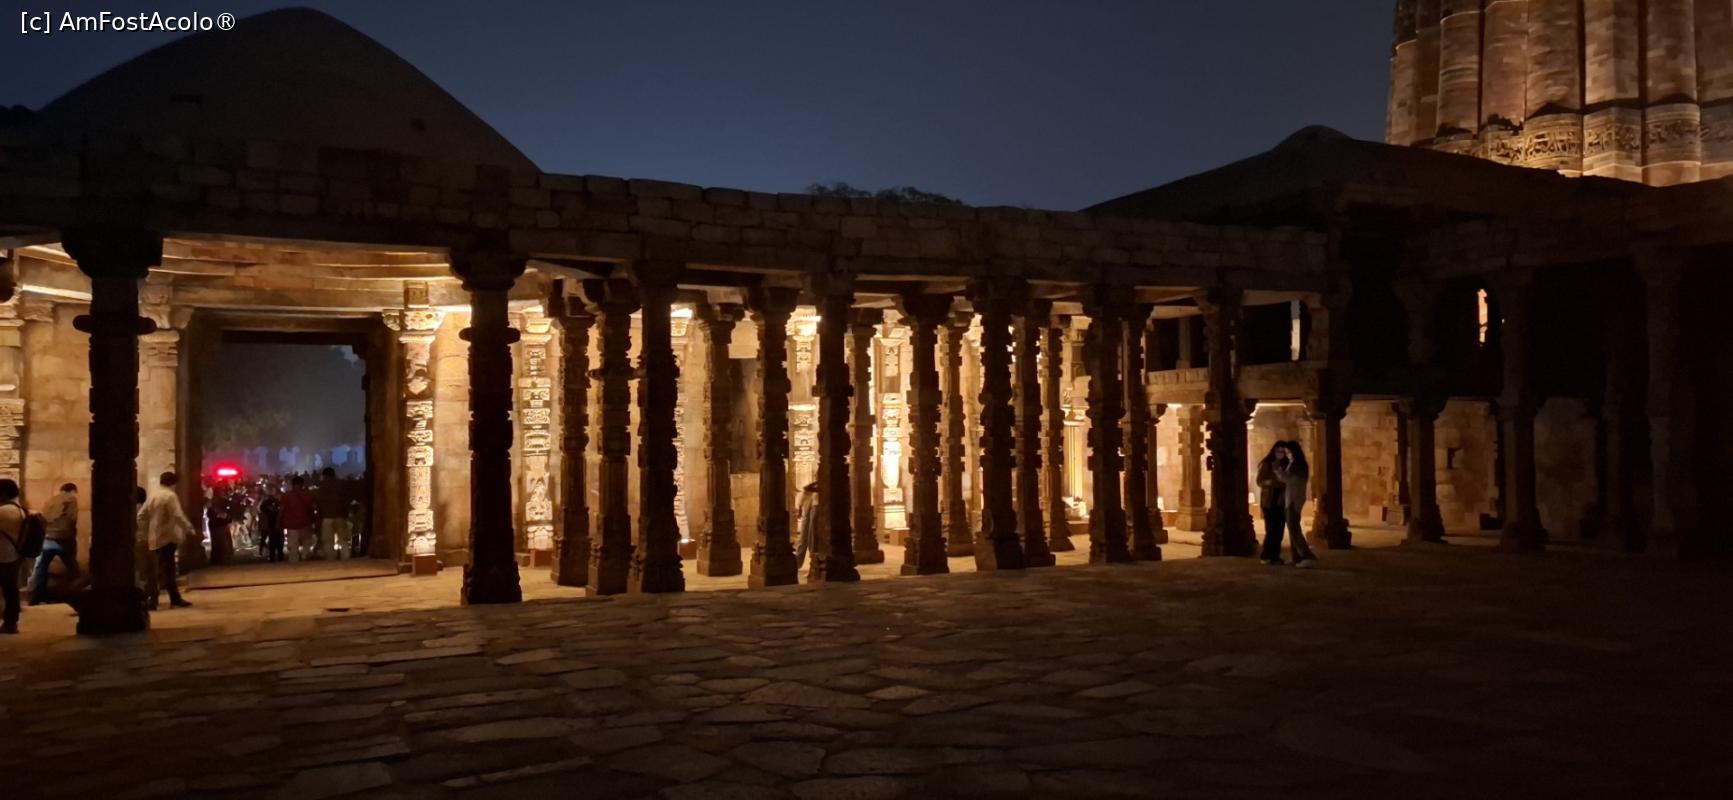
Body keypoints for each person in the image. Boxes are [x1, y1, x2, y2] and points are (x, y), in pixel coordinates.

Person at [138, 472, 194, 609]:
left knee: (158, 568)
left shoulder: (153, 495)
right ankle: (170, 598)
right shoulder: (170, 496)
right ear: (174, 483)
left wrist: (146, 532)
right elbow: (177, 514)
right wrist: (188, 528)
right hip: (168, 537)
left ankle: (157, 598)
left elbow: (141, 515)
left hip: (155, 538)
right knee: (168, 569)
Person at [28, 483, 79, 604]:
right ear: (73, 490)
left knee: (41, 568)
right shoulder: (72, 499)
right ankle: (73, 596)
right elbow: (72, 519)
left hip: (47, 537)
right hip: (64, 539)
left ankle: (36, 597)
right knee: (73, 567)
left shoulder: (51, 500)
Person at [1275, 440, 1318, 568]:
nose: (1287, 455)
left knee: (1294, 529)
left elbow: (1289, 480)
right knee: (1292, 528)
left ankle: (1307, 556)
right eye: (1286, 452)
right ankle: (1296, 557)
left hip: (1294, 499)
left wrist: (1278, 471)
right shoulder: (1295, 464)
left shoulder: (1298, 465)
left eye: (1289, 452)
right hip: (1292, 498)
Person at [0, 480, 28, 633]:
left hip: (4, 556)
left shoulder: (4, 511)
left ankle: (10, 622)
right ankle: (11, 622)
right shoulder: (19, 510)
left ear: (4, 493)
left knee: (9, 591)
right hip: (13, 556)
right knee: (10, 590)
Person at [1255, 445, 1289, 566]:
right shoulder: (1267, 464)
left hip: (1281, 500)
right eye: (1278, 451)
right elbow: (1259, 481)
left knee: (1279, 529)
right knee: (1271, 529)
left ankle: (1275, 555)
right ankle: (1266, 555)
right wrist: (1270, 483)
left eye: (1283, 451)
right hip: (1269, 500)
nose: (1281, 453)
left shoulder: (1286, 465)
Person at [279, 475, 317, 562]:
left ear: (292, 484)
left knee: (293, 544)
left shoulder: (286, 495)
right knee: (307, 541)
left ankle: (294, 560)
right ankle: (304, 555)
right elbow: (312, 508)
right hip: (305, 522)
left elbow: (282, 509)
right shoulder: (308, 494)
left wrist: (279, 521)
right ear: (302, 484)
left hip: (291, 524)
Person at [314, 468, 348, 560]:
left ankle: (330, 559)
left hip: (326, 517)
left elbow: (318, 503)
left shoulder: (321, 487)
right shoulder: (341, 485)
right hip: (340, 516)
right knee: (343, 539)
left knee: (328, 541)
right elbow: (345, 501)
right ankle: (346, 558)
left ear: (324, 476)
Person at [793, 482, 819, 571]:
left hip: (815, 511)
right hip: (809, 513)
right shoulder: (808, 492)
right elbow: (806, 488)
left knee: (812, 538)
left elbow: (806, 488)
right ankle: (797, 564)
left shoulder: (815, 491)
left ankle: (813, 563)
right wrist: (817, 481)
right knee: (804, 539)